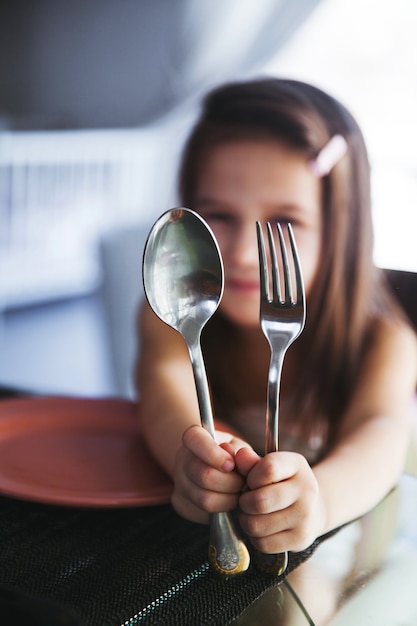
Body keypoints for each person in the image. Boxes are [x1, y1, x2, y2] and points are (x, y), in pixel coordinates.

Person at [135, 78, 417, 556]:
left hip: (342, 557)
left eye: (283, 224)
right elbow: (164, 401)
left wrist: (321, 501)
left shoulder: (382, 338)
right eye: (219, 215)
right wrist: (191, 463)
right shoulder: (171, 322)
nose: (243, 253)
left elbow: (382, 434)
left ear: (341, 232)